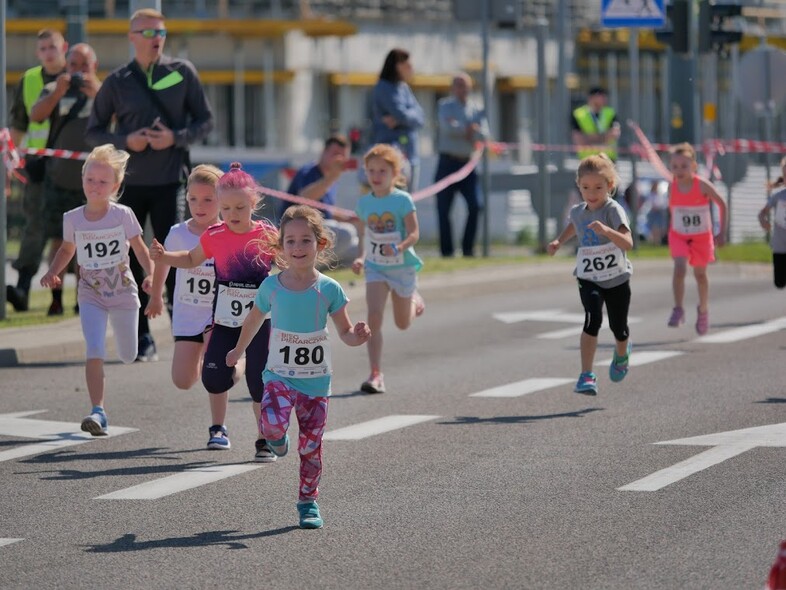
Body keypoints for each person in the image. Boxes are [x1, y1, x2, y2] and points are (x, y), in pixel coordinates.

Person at [226, 205, 370, 529]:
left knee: (311, 447)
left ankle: (308, 501)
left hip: (316, 383)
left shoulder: (329, 289)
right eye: (290, 241)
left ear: (320, 244)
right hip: (278, 375)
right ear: (281, 248)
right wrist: (238, 349)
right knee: (272, 427)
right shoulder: (271, 287)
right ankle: (277, 441)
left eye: (305, 240)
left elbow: (345, 332)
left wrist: (357, 337)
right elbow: (253, 319)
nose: (298, 248)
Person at [86, 7, 214, 362]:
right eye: (147, 32)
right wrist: (128, 140)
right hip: (128, 188)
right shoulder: (117, 80)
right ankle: (143, 338)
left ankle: (184, 332)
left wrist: (175, 137)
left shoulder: (182, 72)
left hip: (171, 181)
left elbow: (206, 121)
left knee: (173, 255)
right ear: (132, 37)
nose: (155, 38)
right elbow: (94, 130)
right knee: (130, 261)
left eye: (160, 32)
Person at [149, 163, 277, 460]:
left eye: (240, 207)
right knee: (212, 379)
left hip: (258, 321)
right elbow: (191, 258)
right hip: (223, 321)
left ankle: (264, 439)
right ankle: (237, 365)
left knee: (259, 384)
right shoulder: (215, 235)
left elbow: (290, 260)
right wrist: (164, 256)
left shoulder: (266, 234)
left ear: (253, 204)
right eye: (228, 208)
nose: (233, 214)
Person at [40, 144, 154, 435]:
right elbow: (67, 250)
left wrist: (151, 276)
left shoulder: (122, 215)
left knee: (129, 354)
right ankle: (98, 410)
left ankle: (123, 350)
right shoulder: (73, 218)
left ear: (115, 185)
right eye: (90, 179)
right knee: (94, 348)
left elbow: (140, 250)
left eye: (103, 182)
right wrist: (53, 272)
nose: (95, 186)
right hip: (90, 293)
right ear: (82, 180)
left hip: (123, 293)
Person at [547, 153, 633, 396]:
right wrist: (558, 241)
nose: (591, 193)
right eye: (586, 187)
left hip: (616, 277)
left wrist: (607, 230)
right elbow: (575, 225)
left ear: (610, 186)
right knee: (592, 319)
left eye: (598, 187)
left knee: (619, 327)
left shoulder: (613, 210)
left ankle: (621, 352)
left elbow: (628, 243)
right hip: (588, 276)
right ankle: (586, 374)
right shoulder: (578, 211)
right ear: (579, 186)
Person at [30, 43, 102, 316]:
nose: (78, 71)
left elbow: (122, 118)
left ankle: (82, 300)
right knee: (58, 242)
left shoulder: (104, 91)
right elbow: (35, 116)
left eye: (84, 65)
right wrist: (58, 91)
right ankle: (56, 299)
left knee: (87, 247)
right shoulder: (55, 89)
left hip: (94, 186)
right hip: (59, 179)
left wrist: (97, 93)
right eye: (73, 65)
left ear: (93, 66)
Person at [351, 144, 425, 394]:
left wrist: (401, 246)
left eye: (382, 171)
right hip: (376, 268)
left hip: (402, 267)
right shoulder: (363, 204)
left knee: (403, 323)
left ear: (395, 173)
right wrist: (361, 258)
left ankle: (414, 299)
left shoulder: (402, 200)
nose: (376, 176)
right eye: (371, 170)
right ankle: (375, 373)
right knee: (374, 316)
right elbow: (366, 237)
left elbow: (415, 233)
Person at [145, 165, 222, 390]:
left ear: (221, 199)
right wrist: (157, 296)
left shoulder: (226, 233)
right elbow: (163, 263)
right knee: (183, 381)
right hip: (187, 313)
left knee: (217, 372)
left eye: (208, 199)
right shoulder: (178, 233)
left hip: (217, 315)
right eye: (193, 199)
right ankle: (199, 359)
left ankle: (238, 364)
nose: (199, 206)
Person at [6, 29, 68, 312]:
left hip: (71, 167)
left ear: (63, 47)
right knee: (34, 227)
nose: (48, 52)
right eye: (42, 48)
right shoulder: (30, 80)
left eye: (52, 47)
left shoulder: (77, 74)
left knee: (69, 231)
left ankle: (73, 298)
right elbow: (18, 122)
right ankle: (21, 290)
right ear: (37, 53)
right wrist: (11, 160)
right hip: (38, 164)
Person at [665, 143, 728, 335]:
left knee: (700, 275)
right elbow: (673, 210)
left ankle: (703, 310)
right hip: (679, 235)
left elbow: (722, 204)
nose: (679, 170)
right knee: (680, 269)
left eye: (684, 166)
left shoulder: (701, 185)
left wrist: (721, 232)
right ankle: (678, 308)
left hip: (701, 236)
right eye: (675, 166)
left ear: (693, 166)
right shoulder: (671, 187)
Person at [279, 134, 359, 267]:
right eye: (335, 154)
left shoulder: (330, 178)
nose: (339, 159)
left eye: (343, 156)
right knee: (348, 233)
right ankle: (304, 267)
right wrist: (331, 177)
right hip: (297, 232)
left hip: (317, 232)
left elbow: (326, 211)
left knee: (359, 249)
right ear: (324, 152)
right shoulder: (309, 172)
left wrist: (353, 218)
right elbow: (305, 199)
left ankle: (318, 268)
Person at [434, 72, 489, 258]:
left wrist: (468, 130)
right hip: (447, 163)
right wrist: (469, 129)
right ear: (452, 88)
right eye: (458, 85)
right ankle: (447, 251)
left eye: (464, 85)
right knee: (443, 209)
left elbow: (484, 134)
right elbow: (448, 128)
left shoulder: (477, 108)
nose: (461, 89)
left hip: (467, 166)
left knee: (476, 205)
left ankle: (468, 249)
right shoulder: (444, 106)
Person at [369, 48, 424, 191]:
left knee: (407, 203)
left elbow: (420, 117)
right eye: (409, 65)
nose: (412, 69)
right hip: (390, 158)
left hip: (410, 154)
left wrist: (402, 119)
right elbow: (401, 113)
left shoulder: (403, 87)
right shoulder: (383, 88)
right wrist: (405, 117)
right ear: (399, 66)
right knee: (392, 204)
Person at [757, 156, 786, 290]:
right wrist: (764, 221)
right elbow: (762, 212)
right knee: (779, 283)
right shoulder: (778, 196)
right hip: (780, 246)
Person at [571, 87, 621, 162]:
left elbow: (614, 134)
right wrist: (603, 137)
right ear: (591, 97)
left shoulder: (610, 113)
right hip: (587, 160)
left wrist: (589, 138)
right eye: (601, 95)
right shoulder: (579, 114)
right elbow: (578, 138)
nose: (604, 98)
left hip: (608, 159)